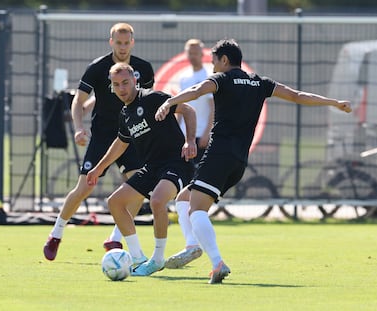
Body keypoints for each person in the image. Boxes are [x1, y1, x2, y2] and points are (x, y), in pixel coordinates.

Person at [155, 38, 352, 284]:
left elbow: (196, 91)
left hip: (219, 155)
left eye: (214, 61)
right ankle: (193, 245)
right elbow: (297, 95)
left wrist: (169, 101)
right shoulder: (259, 83)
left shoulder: (221, 79)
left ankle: (217, 263)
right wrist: (333, 102)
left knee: (196, 210)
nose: (213, 66)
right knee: (184, 198)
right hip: (239, 161)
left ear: (224, 60)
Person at [43, 23, 155, 261]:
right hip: (103, 136)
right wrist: (79, 128)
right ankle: (56, 234)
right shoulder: (97, 67)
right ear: (110, 41)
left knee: (138, 188)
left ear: (132, 43)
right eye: (118, 42)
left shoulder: (143, 68)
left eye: (126, 43)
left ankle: (115, 237)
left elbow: (145, 102)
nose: (122, 47)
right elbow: (78, 101)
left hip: (131, 135)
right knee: (85, 187)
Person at [86, 63, 197, 276]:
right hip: (151, 168)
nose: (121, 89)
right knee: (115, 202)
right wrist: (98, 168)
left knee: (157, 200)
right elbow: (121, 142)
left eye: (125, 83)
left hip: (176, 163)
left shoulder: (153, 98)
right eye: (116, 85)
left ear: (135, 80)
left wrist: (190, 141)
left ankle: (157, 259)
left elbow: (188, 109)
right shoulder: (125, 114)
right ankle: (138, 258)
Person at [164, 39, 214, 269]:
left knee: (194, 188)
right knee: (186, 188)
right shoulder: (183, 79)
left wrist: (205, 133)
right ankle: (192, 235)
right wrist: (176, 134)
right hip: (186, 139)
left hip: (200, 137)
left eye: (196, 51)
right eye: (189, 51)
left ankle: (194, 236)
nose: (192, 55)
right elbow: (181, 110)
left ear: (201, 54)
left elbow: (212, 108)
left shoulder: (208, 76)